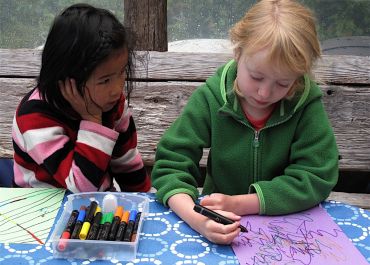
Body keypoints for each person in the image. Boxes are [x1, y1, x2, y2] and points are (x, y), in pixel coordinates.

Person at [151, 0, 338, 244]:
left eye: (283, 83)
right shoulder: (211, 98)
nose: (264, 93)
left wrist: (241, 203)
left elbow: (316, 175)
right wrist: (196, 218)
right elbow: (171, 165)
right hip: (216, 219)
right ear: (238, 53)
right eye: (256, 76)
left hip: (291, 229)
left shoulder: (306, 105)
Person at [12, 4, 151, 193]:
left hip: (93, 205)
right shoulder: (35, 117)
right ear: (68, 78)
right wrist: (93, 122)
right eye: (105, 81)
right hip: (41, 208)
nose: (117, 89)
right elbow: (81, 187)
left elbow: (127, 164)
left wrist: (147, 203)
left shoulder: (111, 103)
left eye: (121, 73)